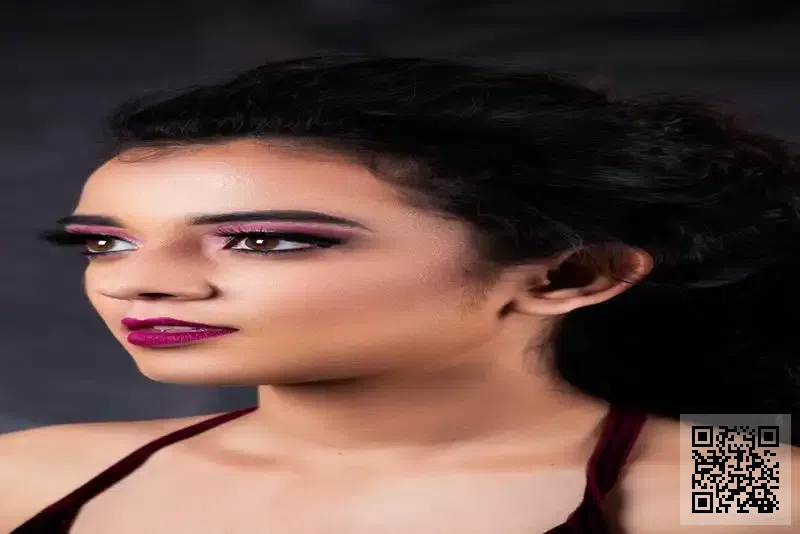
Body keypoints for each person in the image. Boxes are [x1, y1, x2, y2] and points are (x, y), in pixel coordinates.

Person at [1, 53, 798, 533]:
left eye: (265, 240)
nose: (138, 280)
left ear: (569, 276)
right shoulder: (31, 475)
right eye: (105, 242)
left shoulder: (740, 478)